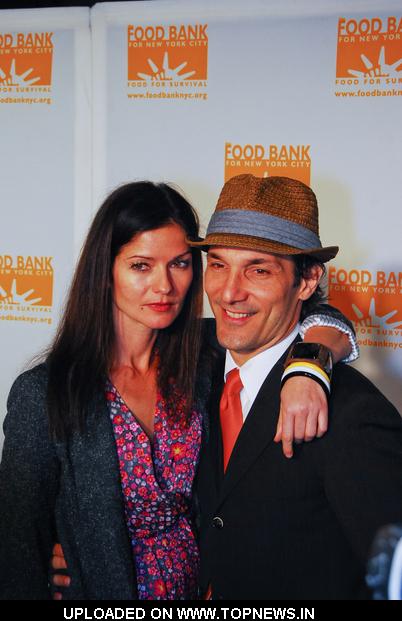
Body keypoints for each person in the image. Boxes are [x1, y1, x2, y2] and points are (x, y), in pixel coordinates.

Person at [0, 180, 354, 600]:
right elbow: (18, 551)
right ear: (105, 269)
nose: (164, 286)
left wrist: (309, 366)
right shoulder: (44, 394)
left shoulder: (212, 355)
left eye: (181, 264)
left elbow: (325, 318)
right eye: (141, 266)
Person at [190, 174, 402, 600]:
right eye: (218, 265)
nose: (229, 292)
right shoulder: (192, 360)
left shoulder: (353, 414)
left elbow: (389, 575)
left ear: (306, 281)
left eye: (258, 270)